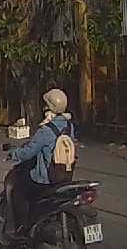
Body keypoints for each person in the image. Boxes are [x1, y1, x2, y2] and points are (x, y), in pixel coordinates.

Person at [6, 88, 75, 237]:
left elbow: (28, 152)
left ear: (49, 108)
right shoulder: (69, 127)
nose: (43, 108)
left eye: (45, 105)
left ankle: (21, 230)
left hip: (45, 179)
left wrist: (14, 154)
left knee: (19, 191)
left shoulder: (46, 130)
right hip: (64, 176)